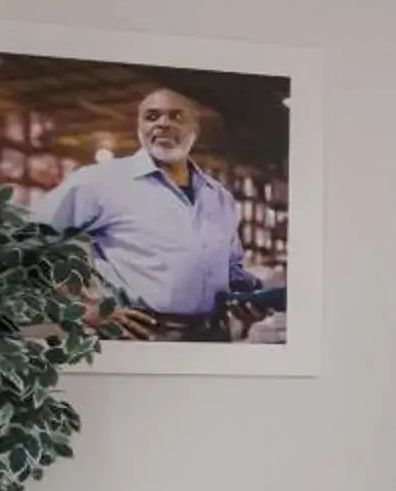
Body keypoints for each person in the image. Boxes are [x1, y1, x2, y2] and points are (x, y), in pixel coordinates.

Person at [34, 86, 275, 341]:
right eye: (152, 117)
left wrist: (249, 296)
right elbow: (24, 244)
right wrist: (81, 308)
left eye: (176, 117)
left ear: (196, 129)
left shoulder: (219, 196)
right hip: (139, 337)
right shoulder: (101, 181)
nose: (163, 124)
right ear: (140, 128)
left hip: (214, 338)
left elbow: (231, 269)